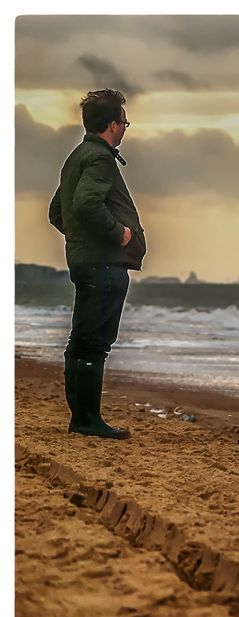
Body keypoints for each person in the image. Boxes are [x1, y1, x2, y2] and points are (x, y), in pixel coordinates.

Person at [48, 89, 147, 439]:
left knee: (82, 339)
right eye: (124, 121)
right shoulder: (99, 159)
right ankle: (87, 420)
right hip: (103, 264)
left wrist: (80, 239)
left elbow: (58, 212)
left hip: (85, 261)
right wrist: (117, 234)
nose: (125, 128)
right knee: (95, 342)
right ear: (112, 125)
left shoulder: (77, 157)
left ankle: (82, 417)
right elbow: (87, 204)